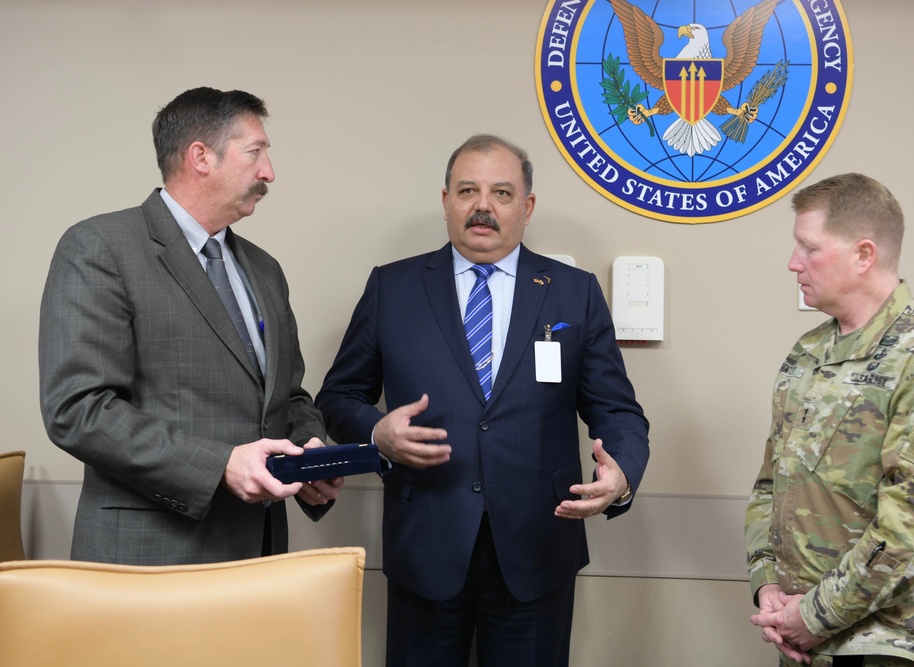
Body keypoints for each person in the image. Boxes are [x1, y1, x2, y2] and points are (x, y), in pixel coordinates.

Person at [315, 134, 649, 666]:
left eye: (501, 193)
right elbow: (337, 395)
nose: (483, 206)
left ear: (528, 207)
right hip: (425, 545)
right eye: (467, 190)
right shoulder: (392, 287)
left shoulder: (572, 292)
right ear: (445, 201)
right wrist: (377, 433)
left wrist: (622, 475)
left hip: (538, 548)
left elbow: (617, 409)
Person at [39, 87, 343, 565]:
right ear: (200, 156)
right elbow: (78, 410)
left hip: (258, 554)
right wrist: (220, 465)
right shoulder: (99, 247)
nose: (269, 172)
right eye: (256, 152)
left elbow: (288, 395)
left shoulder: (265, 270)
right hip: (152, 556)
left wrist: (312, 451)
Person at [744, 173, 914, 667]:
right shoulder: (808, 354)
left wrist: (813, 616)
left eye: (809, 248)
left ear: (863, 255)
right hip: (807, 640)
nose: (794, 263)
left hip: (901, 644)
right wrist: (767, 583)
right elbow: (772, 486)